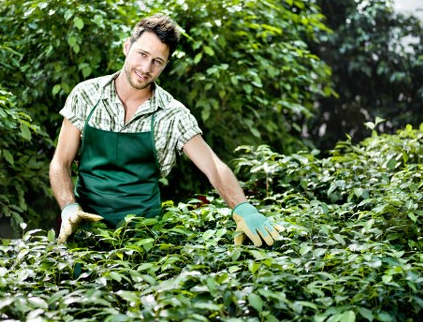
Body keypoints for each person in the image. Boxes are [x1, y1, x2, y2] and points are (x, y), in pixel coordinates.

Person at [49, 13, 282, 247]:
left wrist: (243, 208)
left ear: (165, 65)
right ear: (127, 46)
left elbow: (213, 166)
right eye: (142, 54)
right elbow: (61, 162)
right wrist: (68, 207)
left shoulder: (172, 114)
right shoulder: (87, 95)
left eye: (157, 62)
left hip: (142, 239)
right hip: (85, 230)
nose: (146, 68)